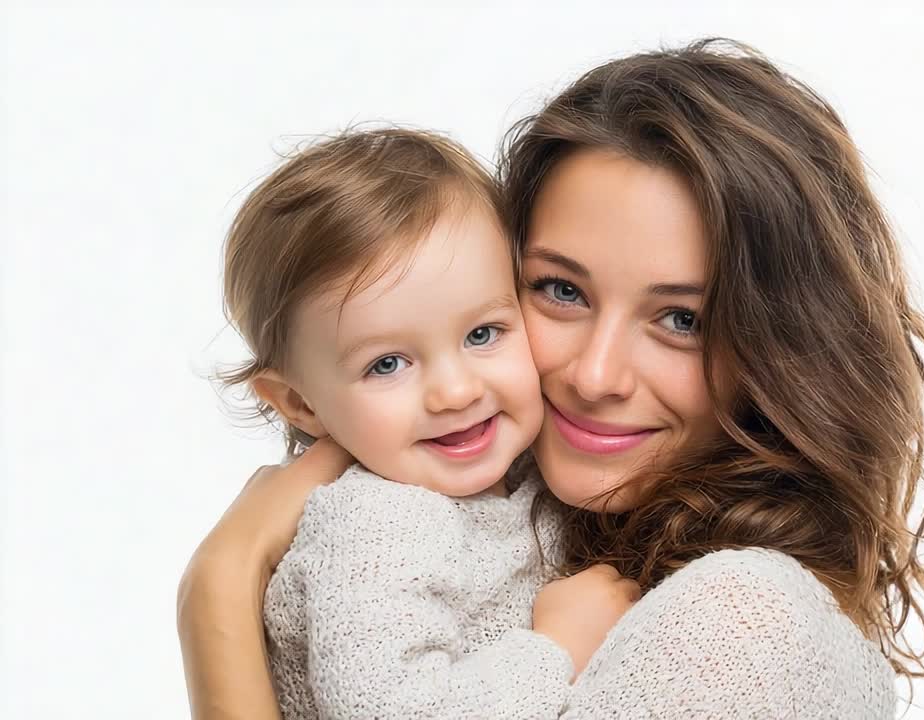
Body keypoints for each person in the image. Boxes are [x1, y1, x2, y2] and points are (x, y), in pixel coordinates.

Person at [179, 38, 924, 719]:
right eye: (561, 290)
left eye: (682, 320)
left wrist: (218, 584)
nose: (595, 375)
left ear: (782, 351)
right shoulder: (433, 516)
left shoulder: (744, 615)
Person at [216, 128, 637, 718]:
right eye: (387, 364)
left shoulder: (527, 472)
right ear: (300, 404)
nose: (456, 391)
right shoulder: (373, 525)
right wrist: (557, 648)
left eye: (482, 334)